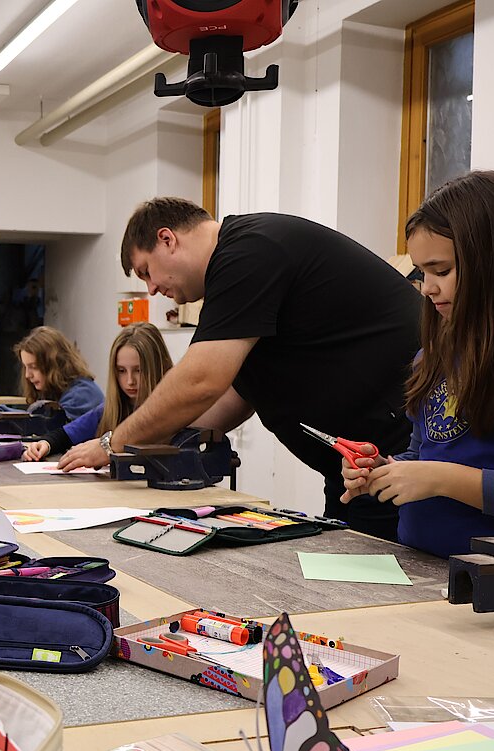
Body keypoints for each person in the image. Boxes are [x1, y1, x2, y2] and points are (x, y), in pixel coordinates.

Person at [58, 197, 422, 539]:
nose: (151, 289)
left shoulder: (248, 252)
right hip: (352, 469)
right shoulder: (239, 269)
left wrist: (113, 443)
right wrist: (160, 444)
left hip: (397, 456)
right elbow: (237, 394)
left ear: (167, 240)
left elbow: (201, 381)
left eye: (146, 272)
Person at [340, 171, 494, 558]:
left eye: (442, 271)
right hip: (420, 565)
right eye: (422, 273)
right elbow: (425, 454)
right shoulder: (433, 355)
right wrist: (387, 470)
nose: (428, 288)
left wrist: (443, 479)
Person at [23, 322, 173, 460]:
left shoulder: (175, 410)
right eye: (121, 371)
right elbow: (69, 433)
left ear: (158, 366)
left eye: (138, 370)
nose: (130, 381)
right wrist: (45, 444)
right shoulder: (108, 410)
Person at [15, 326, 104, 420]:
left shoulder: (79, 397)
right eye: (25, 367)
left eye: (34, 367)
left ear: (55, 363)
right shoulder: (61, 391)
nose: (27, 375)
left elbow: (48, 425)